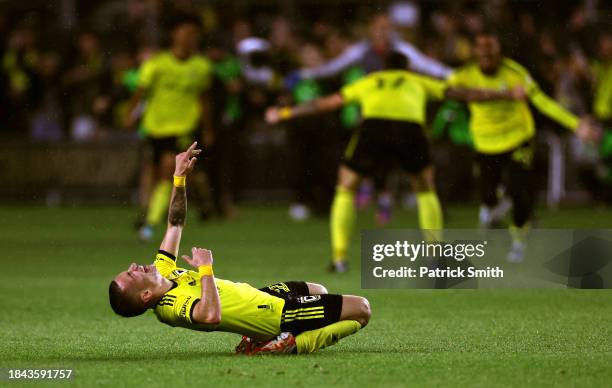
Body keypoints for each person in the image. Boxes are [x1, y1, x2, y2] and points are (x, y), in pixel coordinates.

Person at [266, 51, 525, 273]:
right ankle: (434, 257)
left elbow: (325, 103)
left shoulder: (370, 80)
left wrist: (285, 112)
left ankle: (339, 258)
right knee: (425, 189)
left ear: (383, 68)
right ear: (407, 68)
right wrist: (505, 94)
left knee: (346, 187)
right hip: (409, 130)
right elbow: (464, 93)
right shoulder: (417, 80)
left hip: (373, 128)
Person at [109, 142, 371, 355]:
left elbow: (175, 223)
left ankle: (260, 338)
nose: (134, 266)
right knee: (361, 310)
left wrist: (179, 179)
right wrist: (205, 269)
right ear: (145, 296)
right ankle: (288, 344)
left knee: (319, 290)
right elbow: (209, 316)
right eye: (132, 275)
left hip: (260, 298)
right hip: (272, 315)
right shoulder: (170, 307)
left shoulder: (163, 272)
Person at [446, 29, 598, 261]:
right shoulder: (464, 75)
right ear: (475, 51)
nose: (486, 53)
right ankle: (495, 207)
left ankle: (518, 243)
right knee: (487, 197)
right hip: (486, 143)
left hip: (518, 139)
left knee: (519, 190)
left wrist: (576, 124)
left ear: (499, 51)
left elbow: (543, 102)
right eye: (482, 48)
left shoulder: (515, 73)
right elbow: (447, 91)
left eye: (491, 48)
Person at [124, 14, 214, 241]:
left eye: (194, 35)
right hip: (155, 128)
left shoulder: (201, 66)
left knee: (167, 170)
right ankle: (204, 203)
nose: (190, 38)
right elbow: (140, 93)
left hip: (183, 128)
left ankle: (150, 222)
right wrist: (130, 115)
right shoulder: (157, 64)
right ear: (174, 35)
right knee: (159, 174)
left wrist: (207, 127)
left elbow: (204, 99)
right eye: (185, 33)